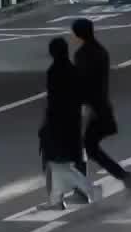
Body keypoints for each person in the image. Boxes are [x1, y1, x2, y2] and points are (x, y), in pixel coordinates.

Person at [71, 19, 131, 195]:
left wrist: (83, 107)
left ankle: (83, 188)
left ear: (77, 35)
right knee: (89, 147)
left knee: (83, 147)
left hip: (92, 108)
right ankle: (123, 176)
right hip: (101, 105)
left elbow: (84, 83)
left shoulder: (83, 54)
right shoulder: (100, 51)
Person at [38, 38, 97, 210]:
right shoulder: (75, 71)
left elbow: (52, 102)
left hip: (57, 123)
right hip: (75, 121)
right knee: (77, 155)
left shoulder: (54, 72)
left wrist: (45, 125)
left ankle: (57, 200)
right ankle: (82, 193)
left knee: (53, 159)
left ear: (52, 53)